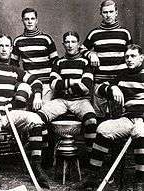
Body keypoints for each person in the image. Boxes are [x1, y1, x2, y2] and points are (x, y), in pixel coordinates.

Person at [0, 34, 50, 189]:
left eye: (7, 46)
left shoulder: (15, 70)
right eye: (1, 46)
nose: (4, 49)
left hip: (8, 112)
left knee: (36, 120)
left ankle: (36, 166)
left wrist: (38, 95)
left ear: (11, 49)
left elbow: (36, 81)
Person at [82, 44, 144, 191]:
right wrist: (112, 88)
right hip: (128, 119)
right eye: (127, 57)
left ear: (141, 58)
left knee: (140, 132)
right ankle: (93, 177)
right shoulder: (122, 75)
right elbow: (98, 90)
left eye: (133, 56)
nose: (129, 59)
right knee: (103, 128)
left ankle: (140, 182)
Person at [36, 31, 97, 150]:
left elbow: (85, 87)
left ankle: (89, 154)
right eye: (67, 42)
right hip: (60, 100)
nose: (70, 45)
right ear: (63, 44)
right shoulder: (58, 62)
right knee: (38, 118)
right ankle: (47, 150)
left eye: (73, 42)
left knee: (91, 120)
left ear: (78, 44)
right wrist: (75, 82)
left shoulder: (85, 62)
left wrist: (63, 83)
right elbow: (53, 84)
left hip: (80, 101)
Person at [83, 0, 132, 118]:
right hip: (100, 83)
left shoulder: (124, 33)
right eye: (105, 12)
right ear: (101, 13)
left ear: (116, 13)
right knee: (99, 118)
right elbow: (81, 49)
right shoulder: (94, 33)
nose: (108, 15)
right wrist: (91, 54)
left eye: (111, 12)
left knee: (119, 118)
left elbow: (131, 54)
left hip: (120, 82)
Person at [10, 7, 58, 104]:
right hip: (29, 83)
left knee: (43, 110)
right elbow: (13, 65)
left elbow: (56, 63)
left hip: (46, 84)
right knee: (21, 104)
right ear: (22, 21)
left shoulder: (46, 39)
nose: (30, 22)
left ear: (36, 20)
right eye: (26, 19)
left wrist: (52, 83)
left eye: (32, 19)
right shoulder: (18, 41)